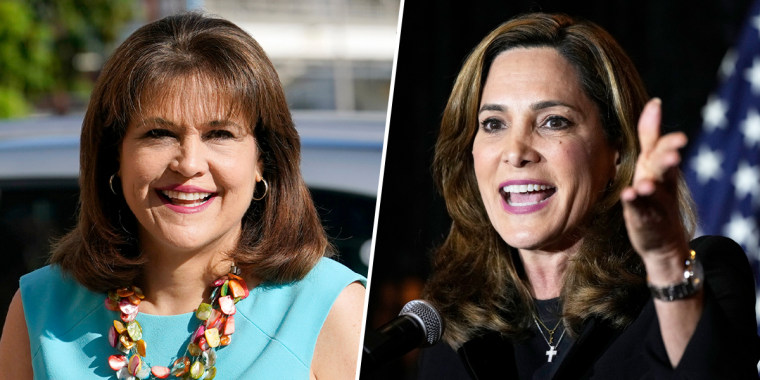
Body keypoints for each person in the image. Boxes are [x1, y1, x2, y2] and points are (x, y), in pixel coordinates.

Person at [0, 13, 365, 379]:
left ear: (262, 161)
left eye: (219, 133)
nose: (189, 164)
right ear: (116, 157)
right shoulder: (38, 310)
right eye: (159, 133)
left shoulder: (332, 309)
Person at [418, 12, 760, 379]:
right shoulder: (451, 326)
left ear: (615, 151)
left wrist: (664, 262)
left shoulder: (697, 277)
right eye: (493, 124)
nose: (515, 151)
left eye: (553, 121)